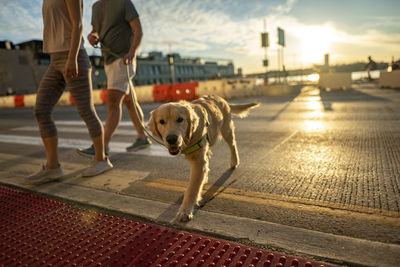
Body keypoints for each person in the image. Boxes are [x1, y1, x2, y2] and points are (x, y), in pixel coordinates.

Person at [26, 0, 113, 184]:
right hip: (54, 59)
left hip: (73, 57)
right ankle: (53, 168)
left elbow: (78, 24)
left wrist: (72, 57)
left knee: (86, 111)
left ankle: (101, 159)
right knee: (41, 110)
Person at [76, 0, 151, 158]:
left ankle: (102, 146)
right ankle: (143, 137)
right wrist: (92, 36)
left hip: (124, 58)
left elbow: (138, 30)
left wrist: (132, 52)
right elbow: (95, 31)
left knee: (113, 100)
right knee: (129, 101)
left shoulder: (123, 2)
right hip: (109, 60)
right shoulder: (96, 7)